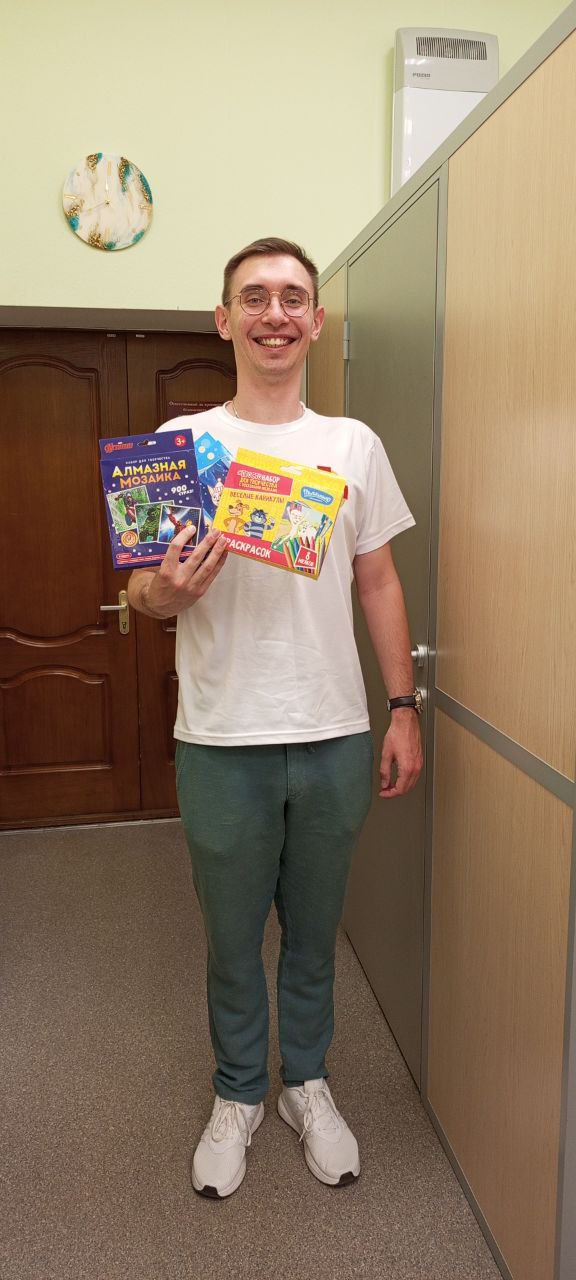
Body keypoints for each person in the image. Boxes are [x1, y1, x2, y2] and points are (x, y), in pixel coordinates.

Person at [127, 237, 423, 1199]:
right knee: (230, 940)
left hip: (333, 732)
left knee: (314, 933)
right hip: (221, 739)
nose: (275, 313)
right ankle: (237, 1093)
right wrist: (165, 595)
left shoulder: (353, 445)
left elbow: (378, 582)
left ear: (317, 322)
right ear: (224, 320)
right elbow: (141, 592)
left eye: (294, 297)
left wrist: (403, 707)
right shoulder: (181, 442)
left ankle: (307, 1084)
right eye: (254, 296)